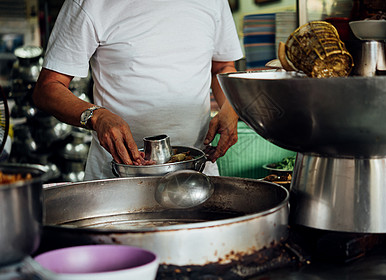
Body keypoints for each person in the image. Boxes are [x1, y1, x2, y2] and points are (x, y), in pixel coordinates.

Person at [32, 0, 243, 180]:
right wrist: (97, 117)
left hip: (196, 173)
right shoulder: (90, 3)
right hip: (119, 178)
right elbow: (48, 88)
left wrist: (231, 106)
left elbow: (223, 67)